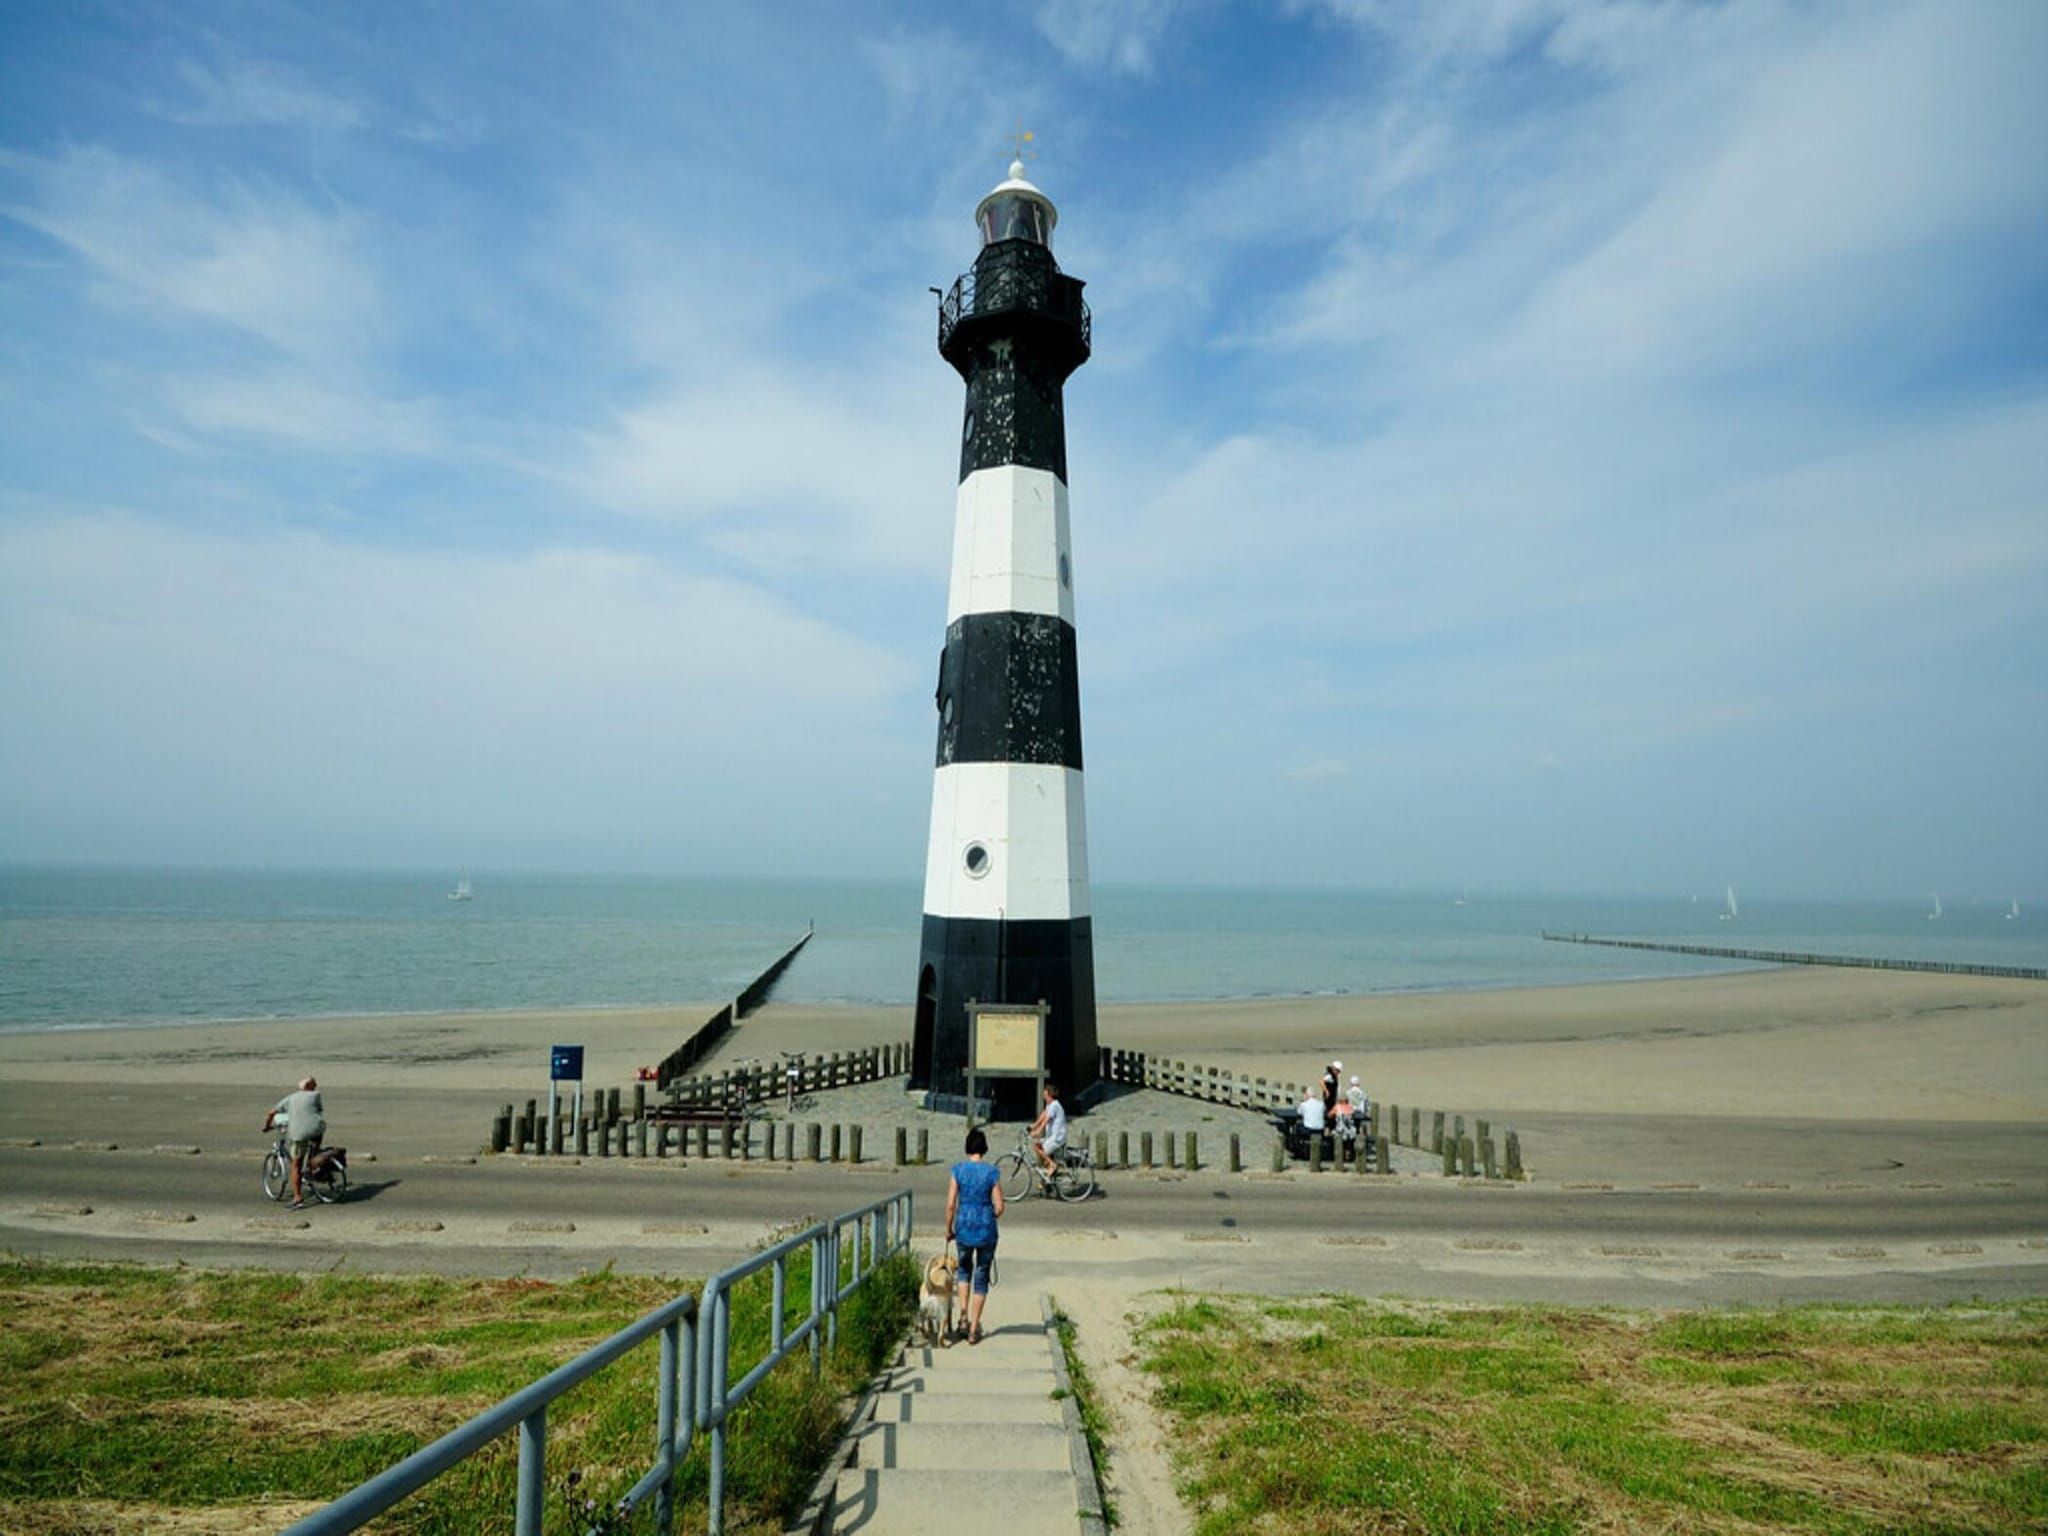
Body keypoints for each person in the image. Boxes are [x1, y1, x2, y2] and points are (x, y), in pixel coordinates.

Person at [945, 1128, 1005, 1345]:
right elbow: (1000, 1207)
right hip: (986, 1230)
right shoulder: (991, 1172)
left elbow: (951, 1204)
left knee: (963, 1271)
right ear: (984, 1148)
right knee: (981, 1275)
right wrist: (989, 1214)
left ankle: (963, 1317)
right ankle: (973, 1329)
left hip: (963, 1228)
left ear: (967, 1147)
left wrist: (949, 1229)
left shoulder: (958, 1170)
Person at [263, 1076, 326, 1210]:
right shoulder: (316, 1095)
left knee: (296, 1165)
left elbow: (271, 1113)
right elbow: (316, 1111)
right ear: (309, 1087)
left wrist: (267, 1127)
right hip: (318, 1130)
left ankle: (297, 1198)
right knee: (313, 1147)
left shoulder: (291, 1098)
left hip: (300, 1134)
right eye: (314, 1084)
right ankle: (310, 1167)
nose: (316, 1087)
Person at [1029, 1081, 1068, 1176]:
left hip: (1057, 1137)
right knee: (1038, 1146)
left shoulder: (1055, 1105)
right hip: (1052, 1137)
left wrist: (1038, 1131)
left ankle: (1053, 1165)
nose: (1043, 1096)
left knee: (1037, 1148)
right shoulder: (1050, 1105)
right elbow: (1044, 1114)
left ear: (1050, 1095)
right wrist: (1034, 1125)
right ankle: (1048, 1177)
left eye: (1045, 1094)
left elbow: (1047, 1119)